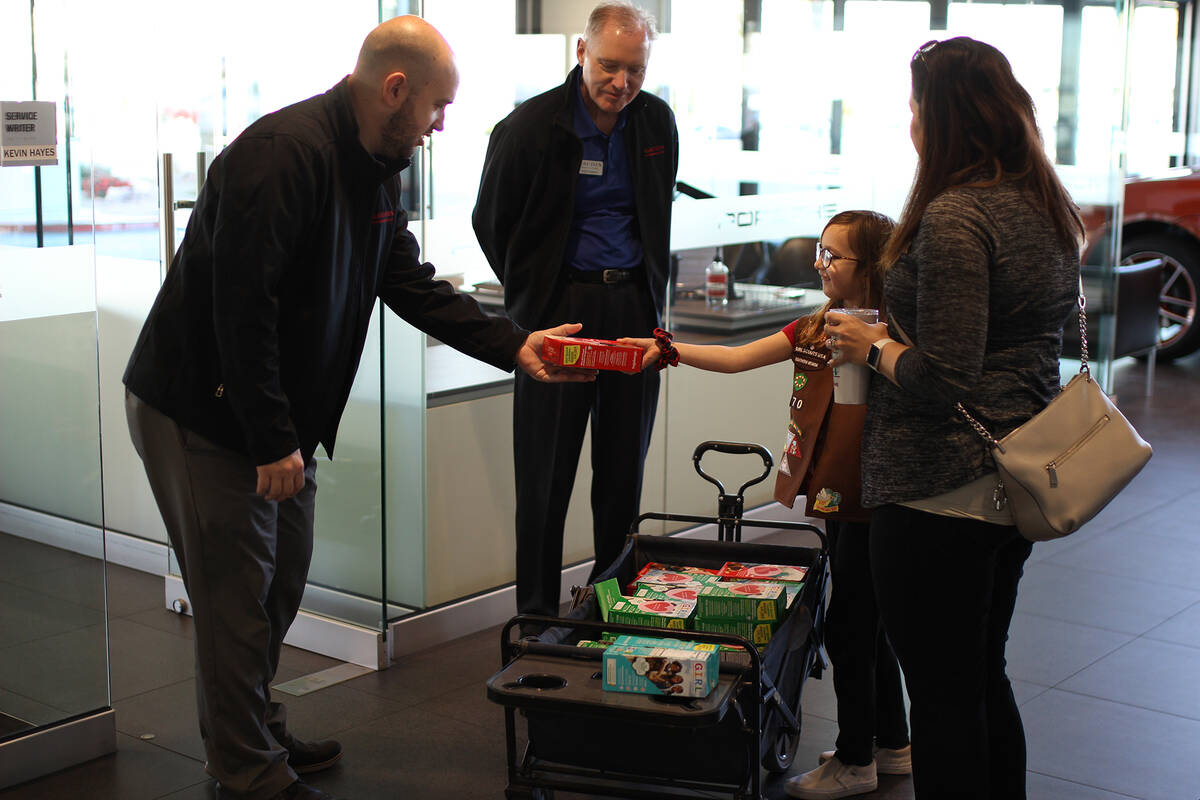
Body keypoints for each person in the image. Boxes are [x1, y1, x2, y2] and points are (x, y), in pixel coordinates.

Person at [122, 16, 593, 800]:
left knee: (278, 584)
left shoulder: (377, 164)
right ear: (395, 89)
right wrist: (273, 438)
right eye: (437, 107)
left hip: (273, 421)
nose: (440, 127)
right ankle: (246, 772)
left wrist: (512, 343)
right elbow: (243, 310)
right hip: (203, 415)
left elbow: (403, 278)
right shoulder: (281, 157)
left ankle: (253, 724)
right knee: (237, 597)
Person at [824, 37, 1082, 799]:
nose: (909, 121)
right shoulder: (1042, 207)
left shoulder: (956, 216)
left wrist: (872, 345)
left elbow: (942, 377)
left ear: (939, 119)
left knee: (940, 695)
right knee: (979, 677)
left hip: (940, 487)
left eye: (913, 106)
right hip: (1016, 478)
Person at [622, 211, 911, 799]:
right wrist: (668, 350)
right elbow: (737, 358)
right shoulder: (814, 327)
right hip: (837, 493)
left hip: (876, 496)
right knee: (866, 623)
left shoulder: (896, 337)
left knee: (852, 628)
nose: (821, 265)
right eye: (820, 253)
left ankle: (857, 761)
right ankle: (892, 743)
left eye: (835, 256)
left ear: (875, 266)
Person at [472, 1, 678, 622]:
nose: (622, 84)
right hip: (559, 310)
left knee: (622, 474)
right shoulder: (530, 127)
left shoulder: (655, 122)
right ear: (582, 53)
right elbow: (491, 220)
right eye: (611, 67)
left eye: (636, 70)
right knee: (545, 476)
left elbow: (656, 210)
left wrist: (649, 302)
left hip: (633, 308)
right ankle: (535, 615)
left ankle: (608, 603)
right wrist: (532, 294)